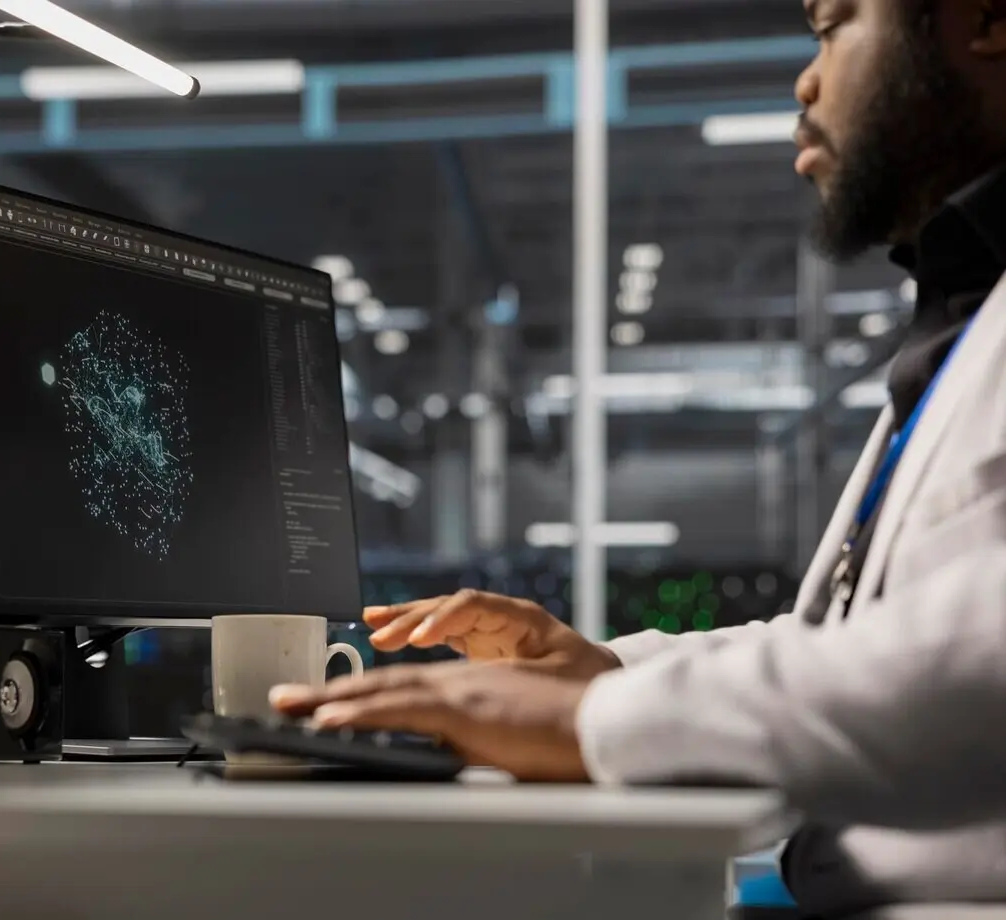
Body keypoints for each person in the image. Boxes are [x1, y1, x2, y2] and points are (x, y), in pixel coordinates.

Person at [272, 0, 1006, 915]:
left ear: (985, 18)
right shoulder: (968, 310)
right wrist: (605, 674)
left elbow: (979, 660)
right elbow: (861, 643)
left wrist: (594, 721)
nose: (807, 80)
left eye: (833, 25)